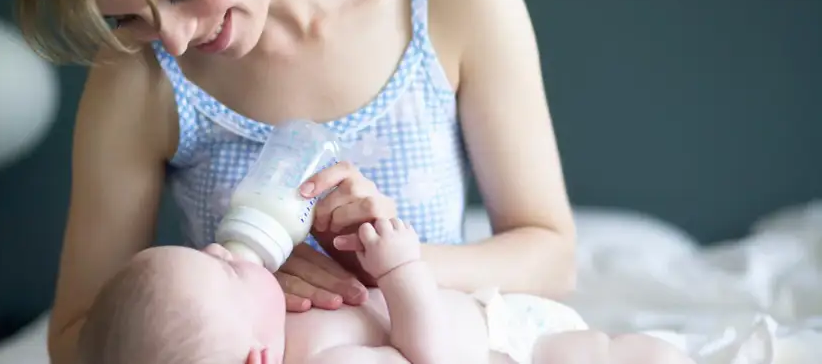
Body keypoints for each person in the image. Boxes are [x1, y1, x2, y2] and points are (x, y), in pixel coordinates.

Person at [18, 0, 576, 363]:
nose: (175, 39)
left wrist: (389, 264)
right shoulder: (138, 72)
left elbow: (553, 257)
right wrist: (226, 302)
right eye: (128, 17)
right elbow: (74, 339)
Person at [79, 217, 694, 364]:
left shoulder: (285, 327)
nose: (219, 249)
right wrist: (401, 272)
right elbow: (426, 357)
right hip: (508, 347)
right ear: (254, 359)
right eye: (224, 272)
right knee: (622, 354)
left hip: (497, 318)